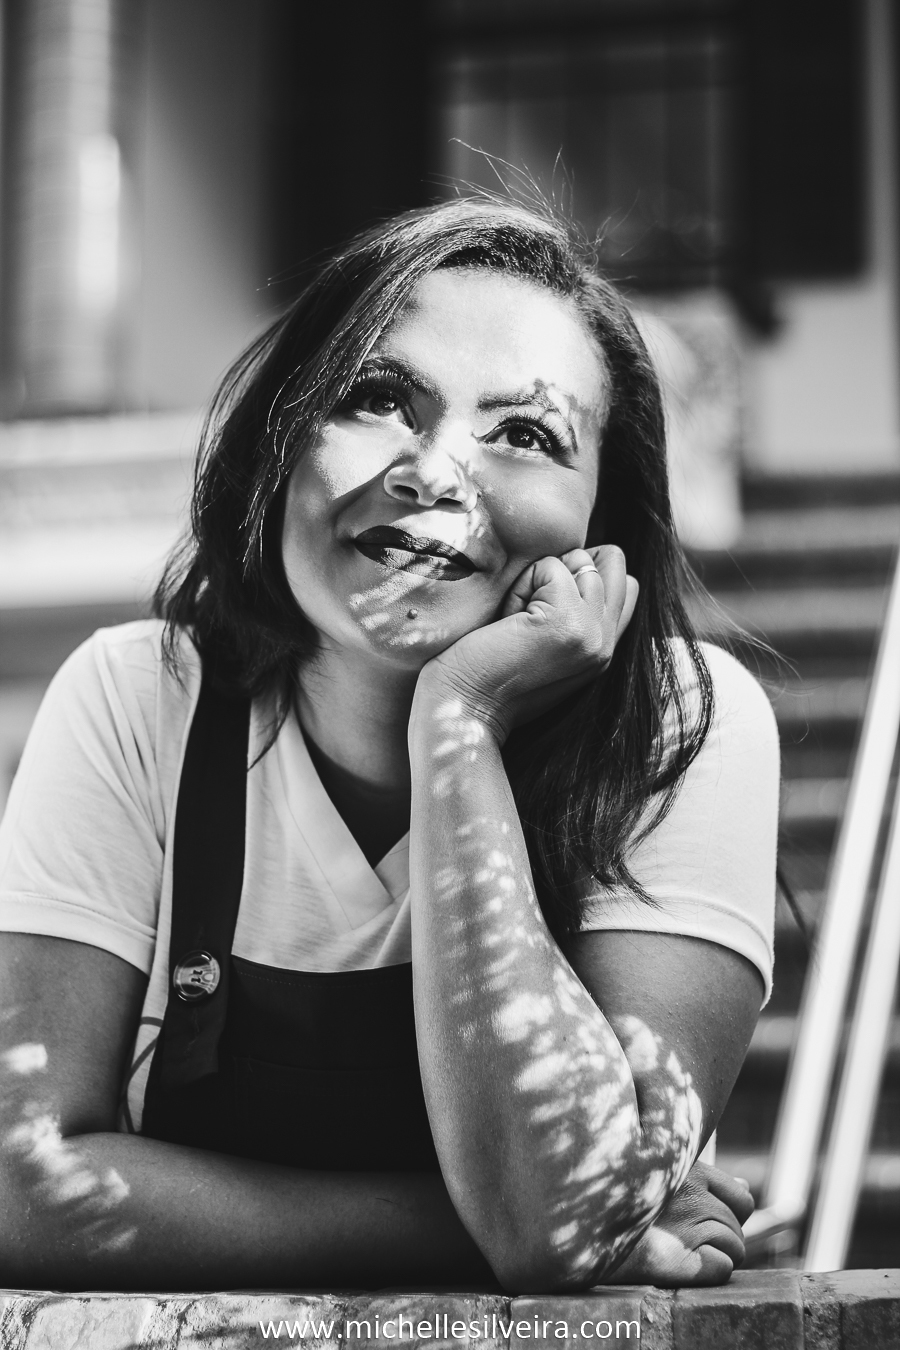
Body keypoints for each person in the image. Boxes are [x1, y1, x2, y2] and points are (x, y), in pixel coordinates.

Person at [0, 198, 776, 1293]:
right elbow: (22, 1187)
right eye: (376, 399)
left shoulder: (682, 728)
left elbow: (560, 1220)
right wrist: (489, 1226)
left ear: (601, 522)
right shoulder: (140, 702)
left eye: (526, 434)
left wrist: (462, 721)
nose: (434, 470)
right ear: (277, 441)